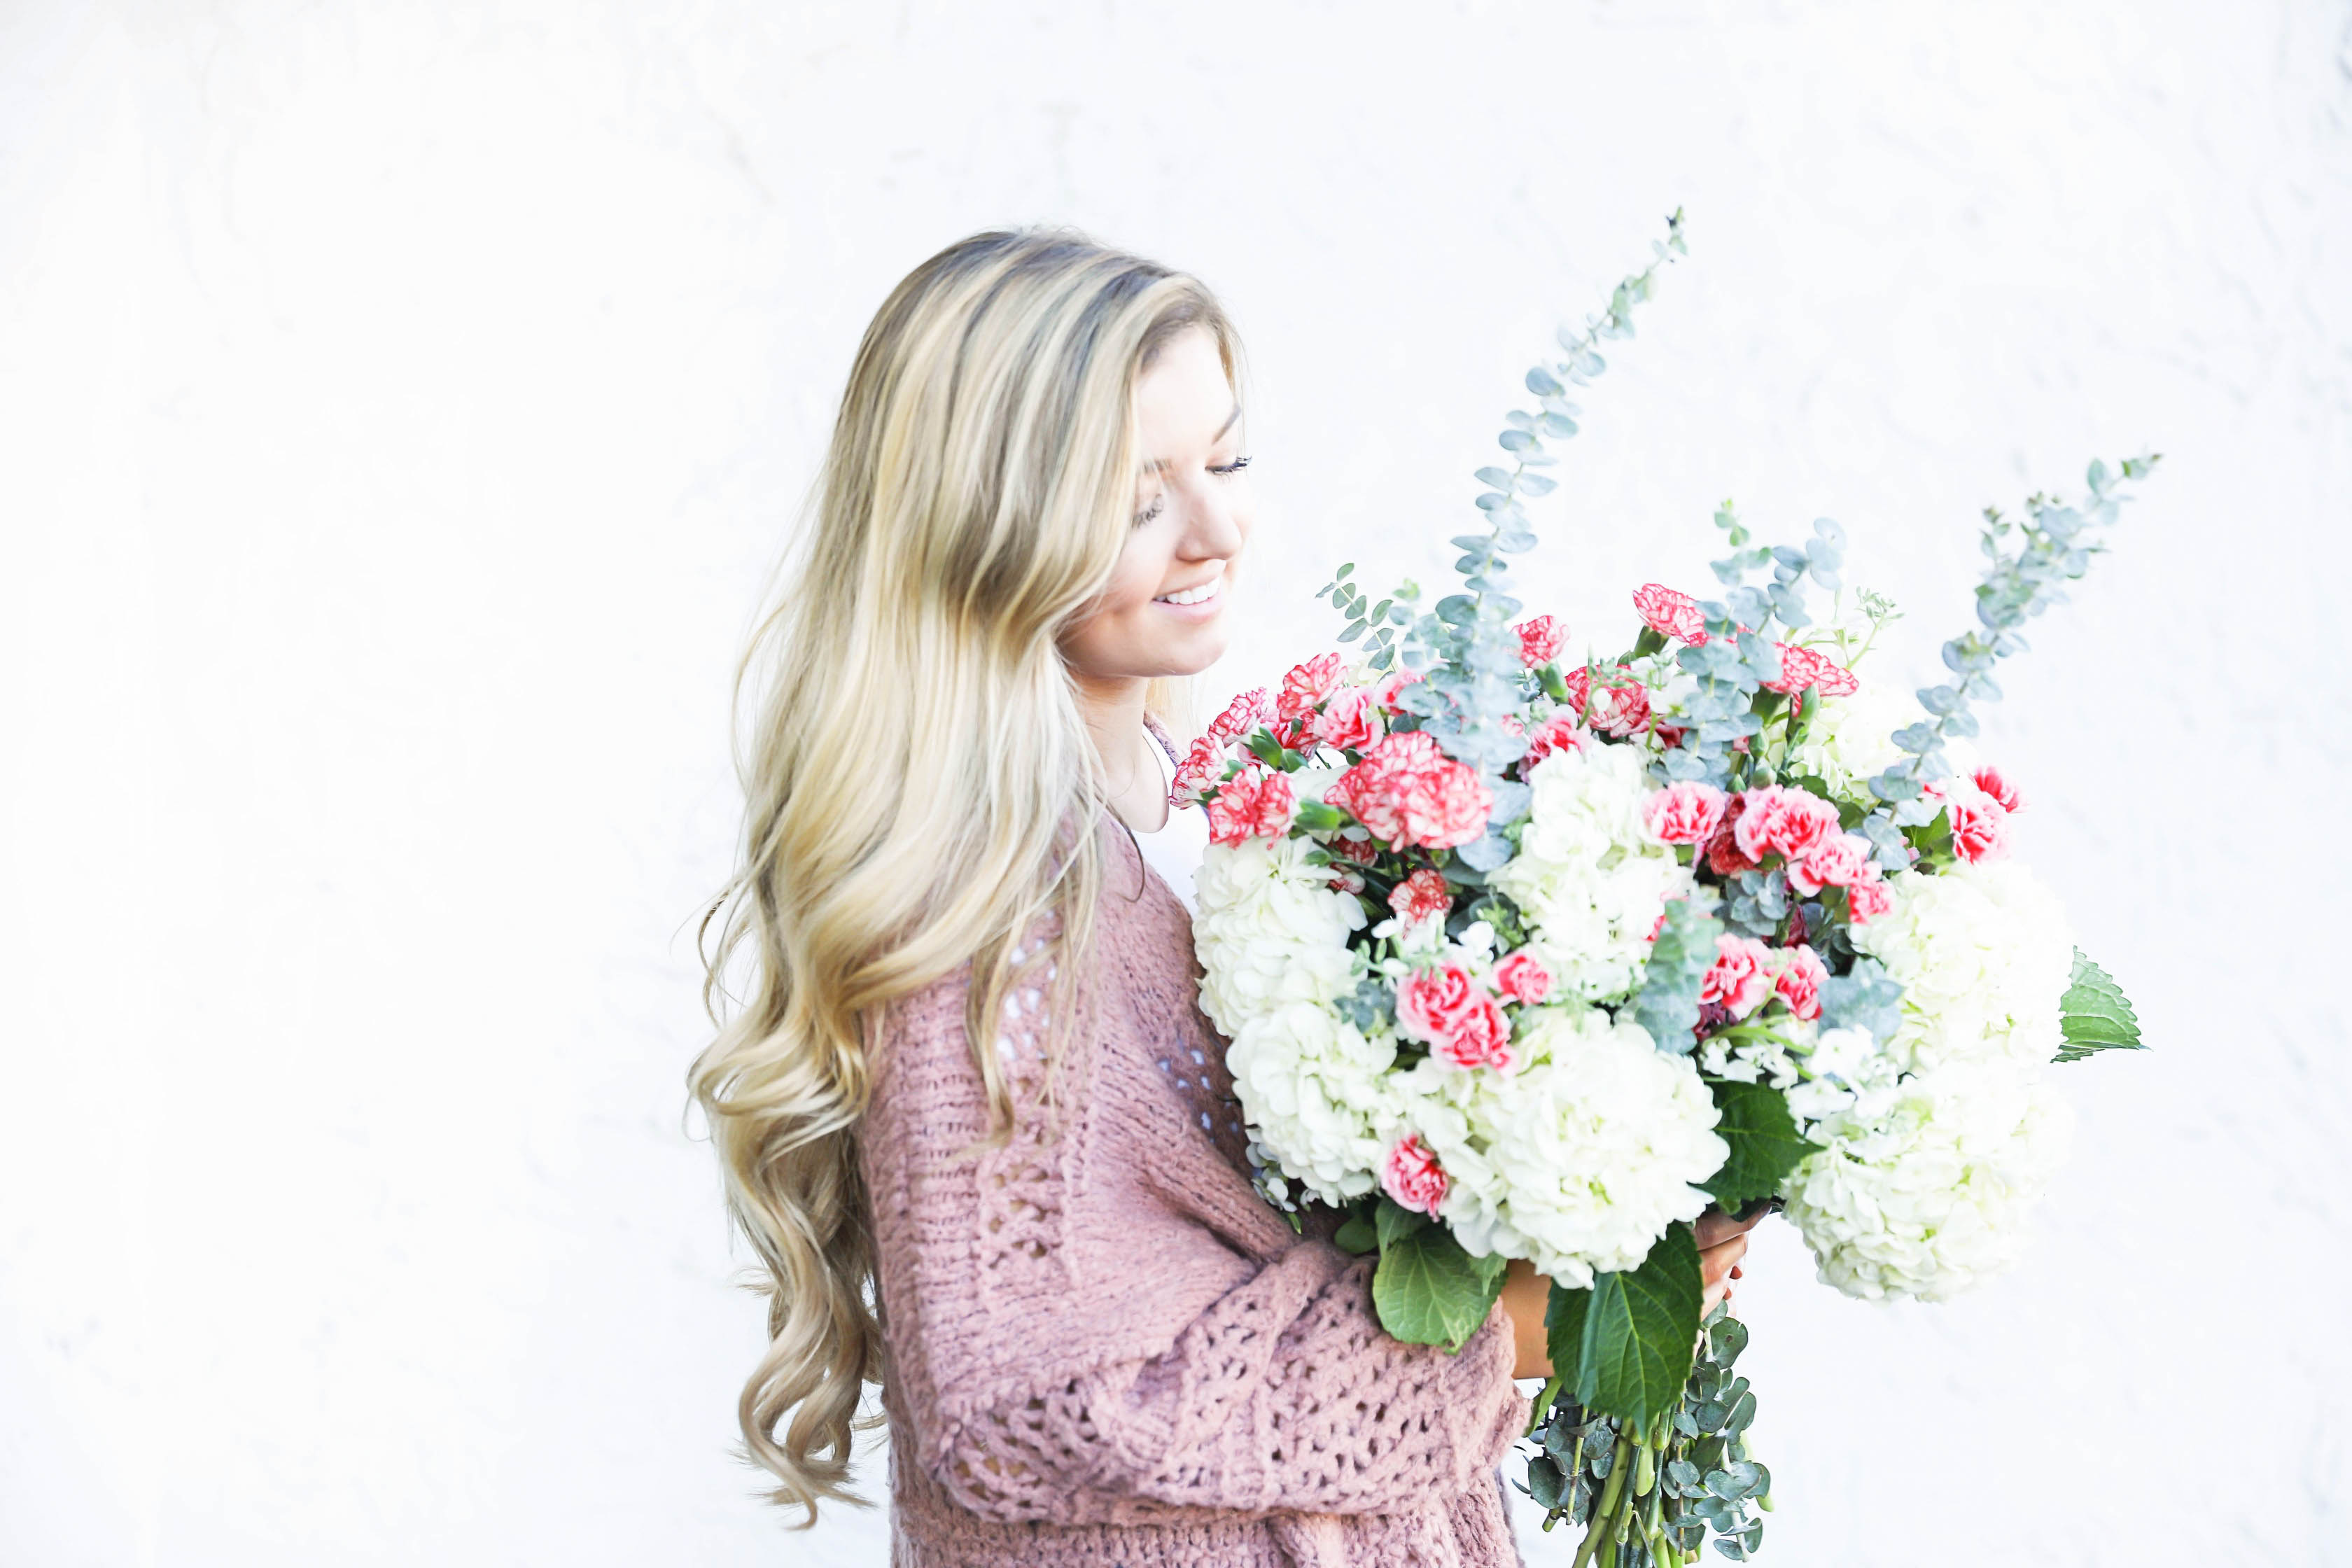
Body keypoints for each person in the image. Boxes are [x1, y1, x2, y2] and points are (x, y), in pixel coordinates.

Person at [690, 227, 1758, 1566]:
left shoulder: (1217, 803)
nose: (1216, 530)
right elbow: (1028, 1404)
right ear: (980, 528)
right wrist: (1491, 1344)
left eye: (1227, 461)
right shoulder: (970, 914)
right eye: (1137, 500)